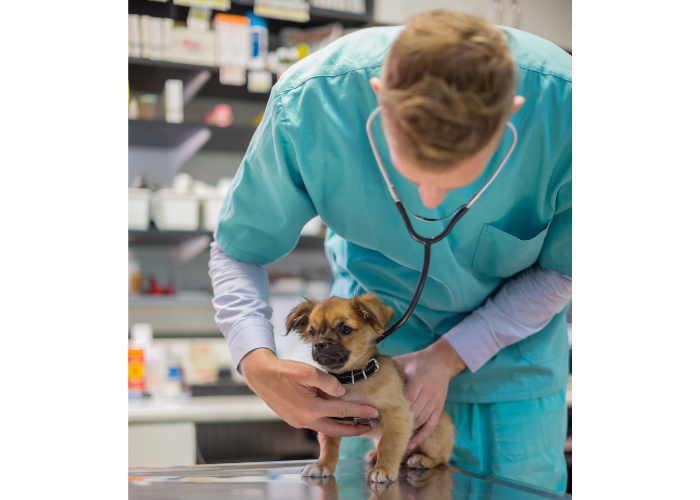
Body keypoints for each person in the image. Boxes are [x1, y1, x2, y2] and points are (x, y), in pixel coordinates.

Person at [209, 10, 571, 491]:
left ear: (512, 112)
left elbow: (568, 268)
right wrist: (256, 362)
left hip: (509, 378)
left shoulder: (568, 114)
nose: (431, 202)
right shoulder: (312, 104)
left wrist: (452, 354)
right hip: (366, 384)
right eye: (414, 169)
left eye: (458, 178)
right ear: (380, 99)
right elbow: (239, 249)